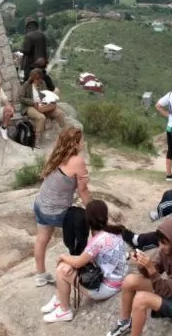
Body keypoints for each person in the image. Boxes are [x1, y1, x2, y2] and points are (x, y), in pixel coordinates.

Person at [41, 200, 128, 323]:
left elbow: (78, 262)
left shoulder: (97, 241)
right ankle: (59, 300)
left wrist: (63, 256)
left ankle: (64, 310)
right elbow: (87, 258)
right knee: (68, 265)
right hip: (118, 280)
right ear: (105, 215)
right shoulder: (115, 232)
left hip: (107, 288)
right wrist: (72, 263)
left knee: (61, 270)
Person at [32, 126, 91, 287]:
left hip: (40, 205)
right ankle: (79, 265)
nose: (83, 143)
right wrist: (93, 211)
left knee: (41, 239)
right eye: (82, 140)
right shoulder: (76, 160)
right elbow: (83, 190)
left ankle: (40, 275)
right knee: (81, 220)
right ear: (76, 143)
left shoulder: (56, 155)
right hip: (56, 212)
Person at [20, 68, 65, 146]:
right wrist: (32, 102)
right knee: (41, 117)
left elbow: (46, 94)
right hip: (30, 106)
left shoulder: (42, 83)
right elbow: (21, 98)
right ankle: (37, 140)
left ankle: (65, 134)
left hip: (42, 105)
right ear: (33, 77)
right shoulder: (27, 84)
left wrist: (49, 101)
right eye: (36, 79)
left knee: (59, 113)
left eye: (39, 79)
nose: (38, 81)